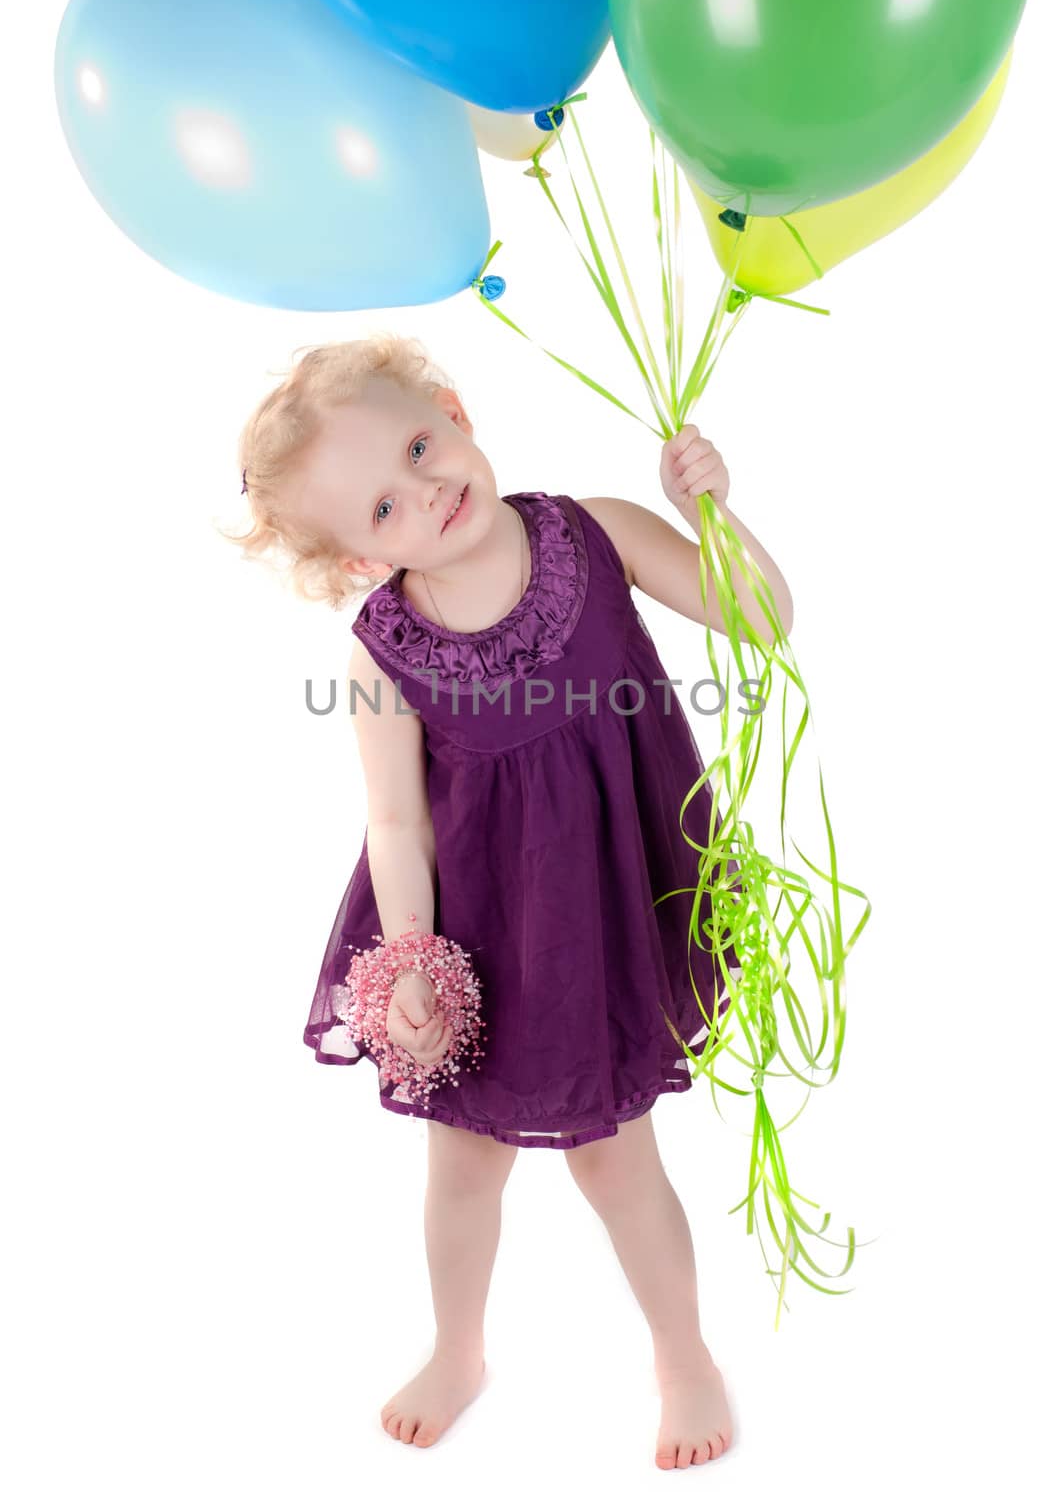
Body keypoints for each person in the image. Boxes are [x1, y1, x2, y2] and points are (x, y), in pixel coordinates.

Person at [228, 332, 794, 1469]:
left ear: (453, 408)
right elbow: (395, 822)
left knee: (614, 1157)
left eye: (422, 447)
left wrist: (716, 513)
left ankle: (682, 1353)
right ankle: (458, 1345)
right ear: (352, 561)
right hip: (478, 934)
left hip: (602, 910)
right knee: (460, 1165)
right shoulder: (383, 655)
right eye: (380, 510)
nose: (426, 494)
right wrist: (415, 968)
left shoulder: (591, 532)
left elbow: (763, 620)